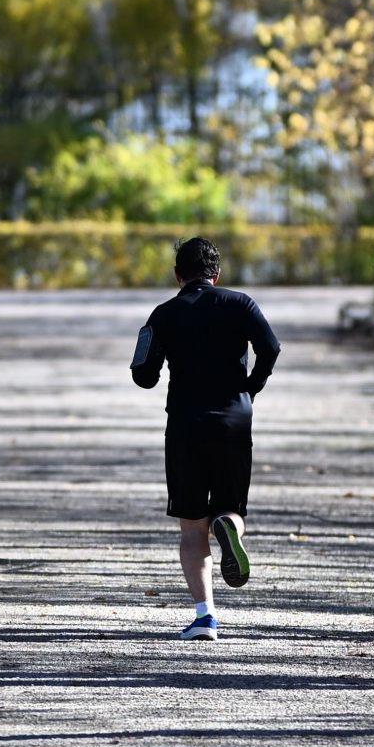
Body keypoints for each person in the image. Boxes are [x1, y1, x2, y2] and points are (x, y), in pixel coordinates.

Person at [128, 236, 281, 639]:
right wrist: (252, 385)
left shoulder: (163, 314)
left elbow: (143, 375)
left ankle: (205, 616)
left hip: (184, 426)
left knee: (191, 526)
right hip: (234, 419)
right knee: (231, 509)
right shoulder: (241, 304)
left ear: (178, 275)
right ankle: (228, 527)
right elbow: (271, 347)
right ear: (218, 274)